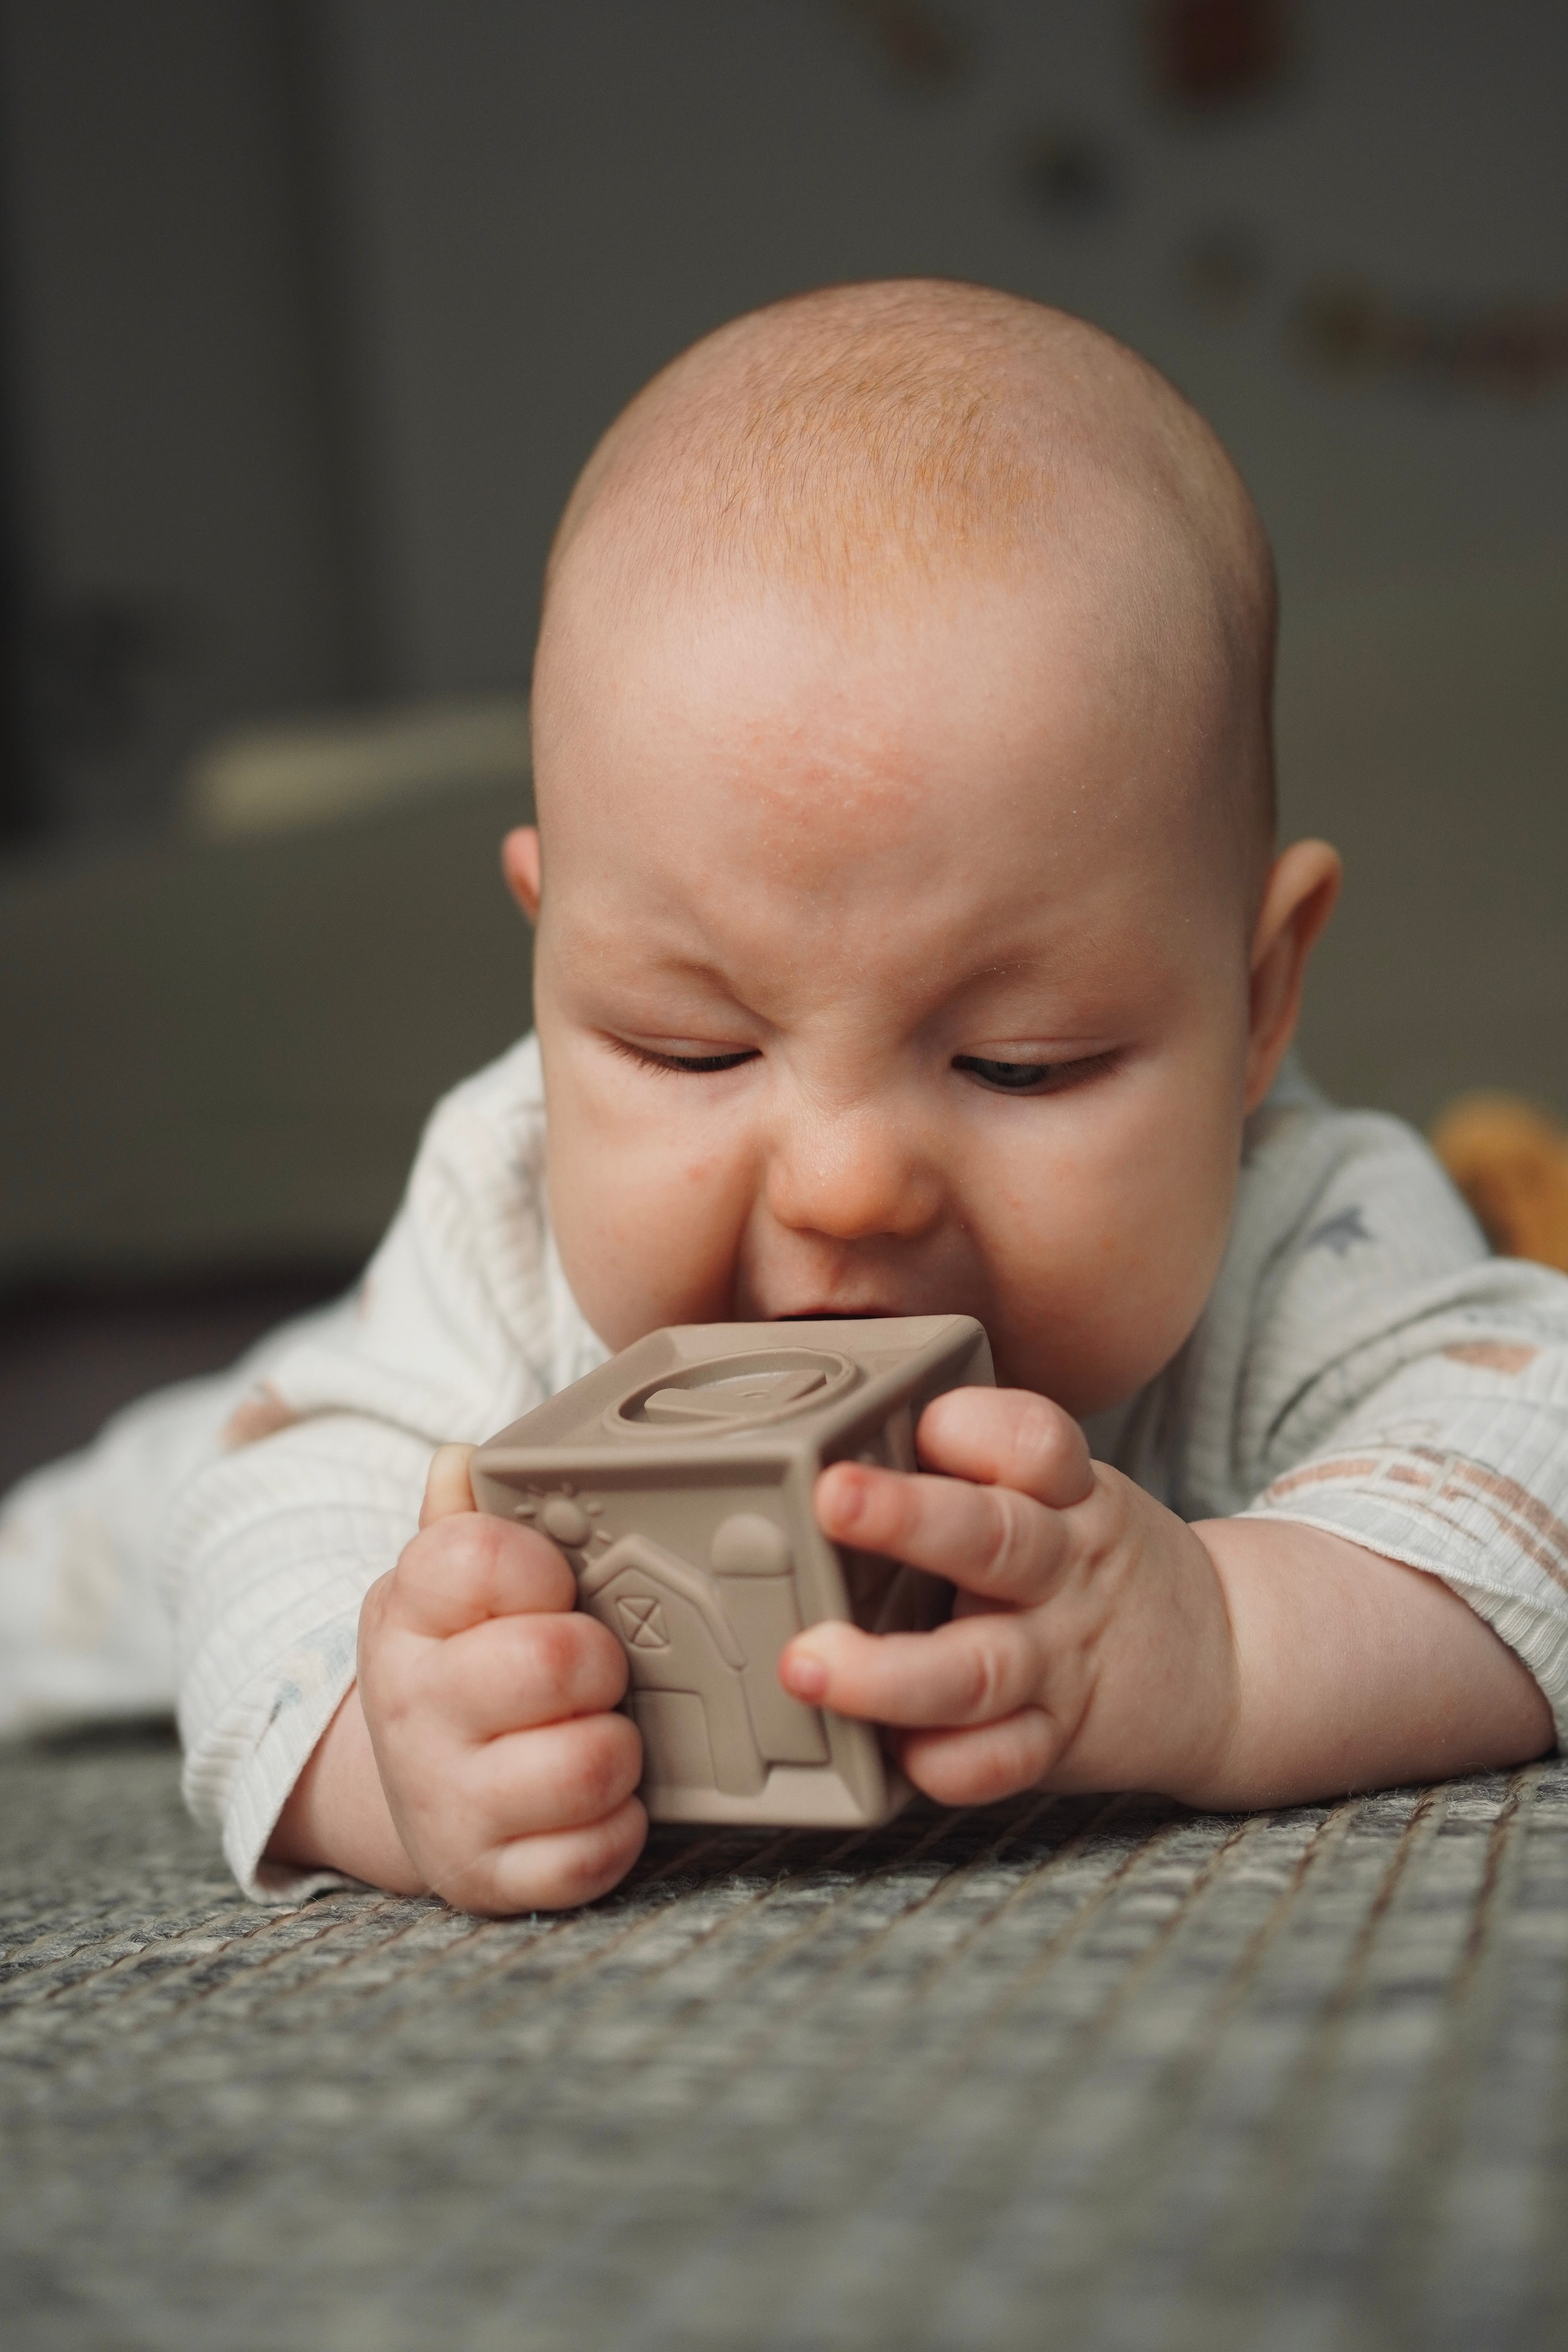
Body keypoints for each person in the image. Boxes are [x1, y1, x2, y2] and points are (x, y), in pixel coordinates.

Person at [4, 281, 1561, 1917]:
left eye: (1018, 1064)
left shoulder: (1299, 1226)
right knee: (136, 1533)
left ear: (1258, 1002)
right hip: (231, 1449)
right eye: (693, 1050)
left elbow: (1541, 1460)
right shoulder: (504, 1199)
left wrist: (1229, 1642)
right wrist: (383, 1768)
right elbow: (273, 1523)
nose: (846, 1186)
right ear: (553, 973)